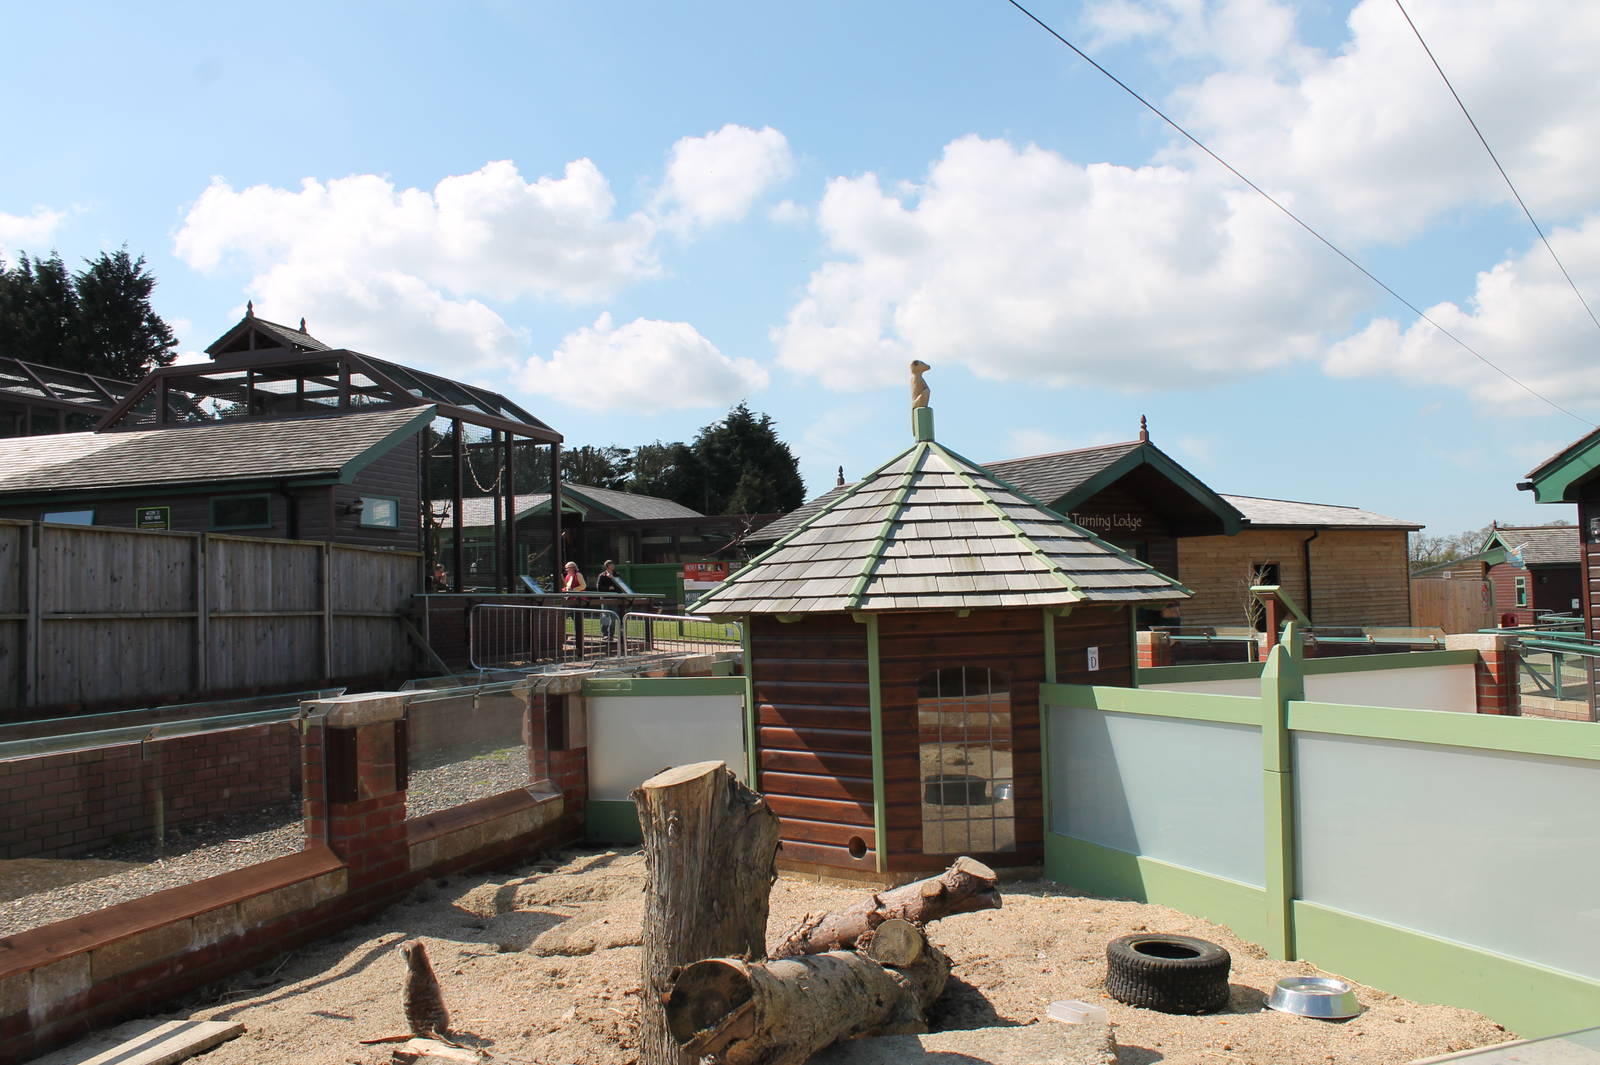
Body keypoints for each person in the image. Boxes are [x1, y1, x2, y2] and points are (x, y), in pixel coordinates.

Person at [594, 560, 623, 639]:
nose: (613, 566)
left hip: (614, 599)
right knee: (605, 616)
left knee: (613, 617)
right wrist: (608, 588)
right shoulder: (602, 575)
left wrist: (612, 578)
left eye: (613, 564)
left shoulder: (617, 575)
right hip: (605, 599)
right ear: (607, 566)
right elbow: (599, 588)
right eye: (611, 564)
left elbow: (620, 587)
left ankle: (611, 634)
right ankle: (605, 633)